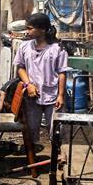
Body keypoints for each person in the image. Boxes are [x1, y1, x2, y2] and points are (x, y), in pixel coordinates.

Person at [13, 13, 68, 152]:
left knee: (56, 130)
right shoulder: (24, 47)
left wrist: (61, 95)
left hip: (53, 95)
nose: (27, 31)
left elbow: (62, 72)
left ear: (42, 29)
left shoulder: (57, 49)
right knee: (31, 129)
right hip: (32, 95)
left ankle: (59, 159)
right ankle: (32, 159)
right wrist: (28, 84)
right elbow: (20, 68)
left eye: (30, 28)